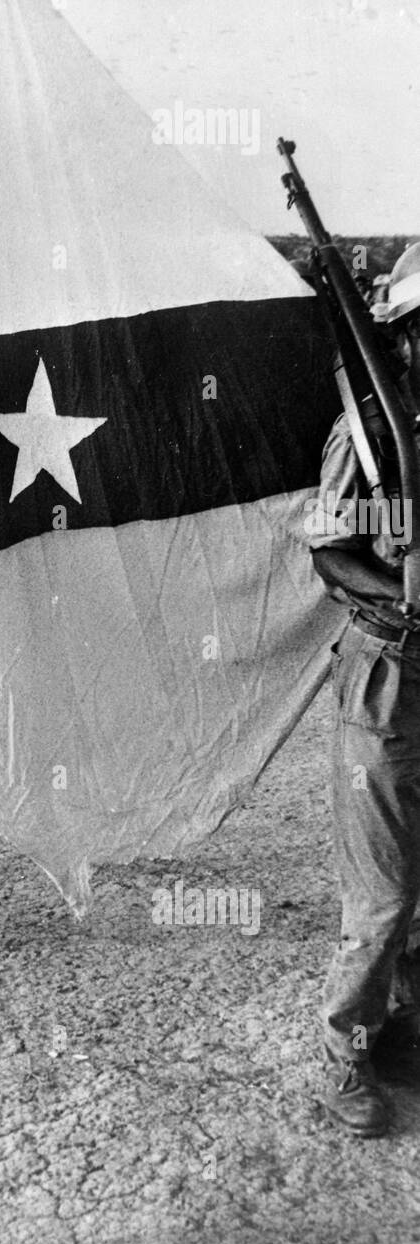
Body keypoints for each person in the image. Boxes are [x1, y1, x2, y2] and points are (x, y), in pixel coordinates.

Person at [308, 242, 420, 1138]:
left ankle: (398, 1028)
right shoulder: (367, 434)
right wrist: (405, 596)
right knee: (381, 890)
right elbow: (329, 553)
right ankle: (342, 1046)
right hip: (385, 673)